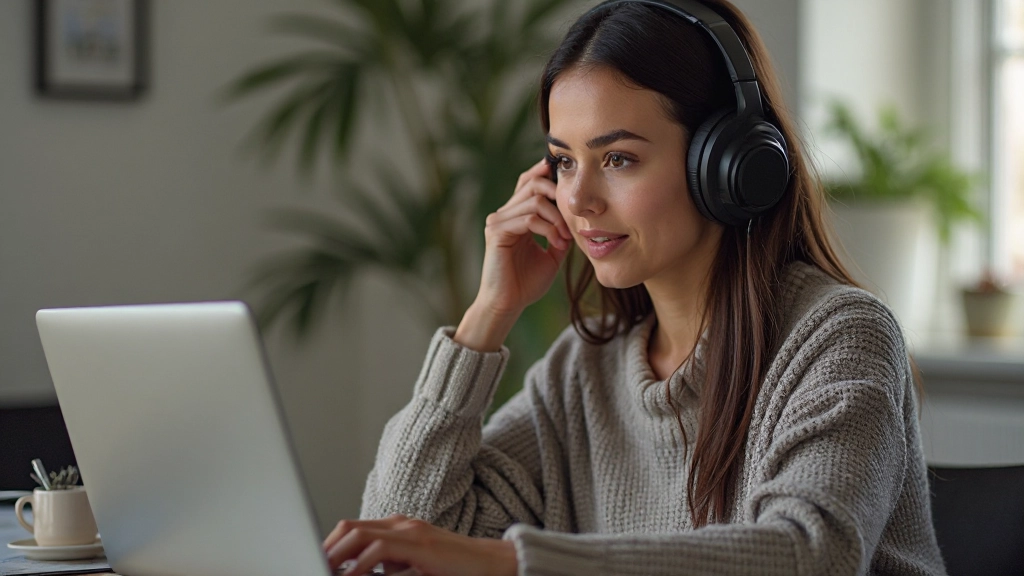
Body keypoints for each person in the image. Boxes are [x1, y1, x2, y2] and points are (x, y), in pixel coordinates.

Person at [322, 0, 946, 574]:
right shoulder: (581, 373)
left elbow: (811, 554)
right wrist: (488, 314)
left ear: (725, 165)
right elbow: (403, 535)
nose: (579, 200)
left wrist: (517, 565)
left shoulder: (840, 337)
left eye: (617, 159)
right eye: (563, 161)